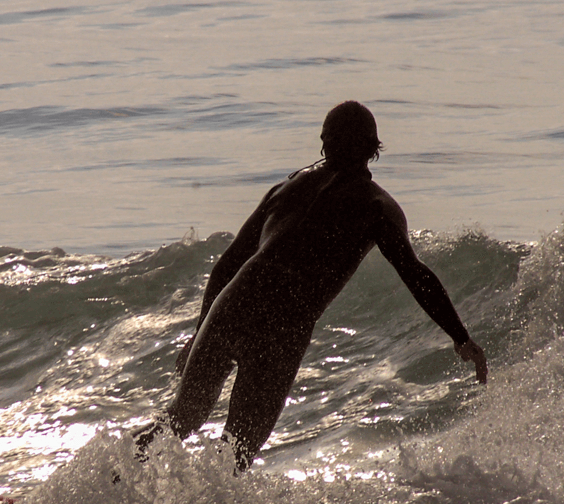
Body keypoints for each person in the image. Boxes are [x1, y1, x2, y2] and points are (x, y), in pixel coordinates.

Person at [136, 101, 488, 471]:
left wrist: (200, 331)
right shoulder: (375, 206)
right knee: (236, 452)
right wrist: (460, 337)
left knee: (178, 421)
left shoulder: (287, 188)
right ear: (374, 148)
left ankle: (105, 487)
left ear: (324, 142)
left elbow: (228, 263)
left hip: (234, 303)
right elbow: (415, 275)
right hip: (282, 324)